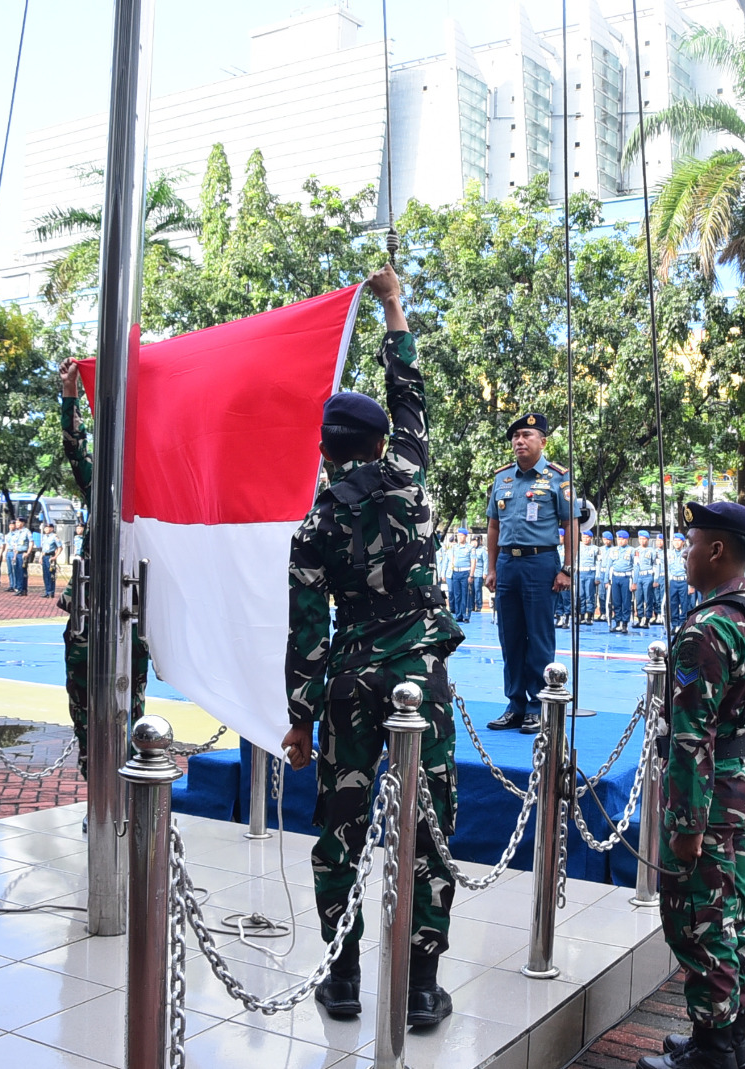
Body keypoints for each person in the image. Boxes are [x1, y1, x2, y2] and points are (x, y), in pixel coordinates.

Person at [281, 265, 462, 1028]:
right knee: (428, 829)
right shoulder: (411, 475)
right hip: (421, 676)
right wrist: (392, 305)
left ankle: (345, 978)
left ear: (325, 452)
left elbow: (306, 631)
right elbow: (408, 387)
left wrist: (298, 716)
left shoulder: (314, 525)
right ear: (383, 440)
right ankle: (420, 986)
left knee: (343, 828)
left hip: (351, 682)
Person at [641, 501, 745, 1069]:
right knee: (735, 912)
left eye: (691, 541)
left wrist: (685, 825)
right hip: (742, 785)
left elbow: (691, 738)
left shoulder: (706, 628)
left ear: (717, 550)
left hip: (711, 796)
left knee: (697, 919)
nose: (685, 551)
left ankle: (714, 1053)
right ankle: (724, 1035)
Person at [58, 358, 151, 780]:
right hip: (88, 617)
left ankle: (125, 794)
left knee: (128, 712)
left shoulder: (153, 488)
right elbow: (74, 446)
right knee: (85, 711)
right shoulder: (101, 482)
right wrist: (70, 394)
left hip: (131, 617)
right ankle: (97, 794)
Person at [483, 413, 579, 731]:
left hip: (541, 564)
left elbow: (571, 526)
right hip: (508, 565)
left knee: (538, 637)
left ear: (543, 441)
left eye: (526, 435)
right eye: (515, 436)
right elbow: (493, 526)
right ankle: (515, 704)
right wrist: (492, 567)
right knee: (510, 637)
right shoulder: (502, 479)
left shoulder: (558, 478)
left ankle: (539, 705)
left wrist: (567, 569)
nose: (519, 441)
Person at [608, 528, 635, 634]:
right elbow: (609, 565)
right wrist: (607, 580)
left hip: (626, 578)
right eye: (619, 539)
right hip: (615, 577)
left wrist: (635, 582)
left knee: (626, 601)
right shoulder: (613, 550)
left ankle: (625, 624)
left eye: (623, 539)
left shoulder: (632, 550)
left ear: (627, 539)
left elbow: (636, 566)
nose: (620, 541)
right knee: (616, 601)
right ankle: (617, 622)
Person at [447, 528, 474, 622]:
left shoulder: (470, 548)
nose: (459, 537)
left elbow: (473, 561)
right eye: (458, 535)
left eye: (461, 535)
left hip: (465, 573)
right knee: (457, 595)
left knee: (465, 595)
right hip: (456, 572)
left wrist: (471, 575)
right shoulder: (454, 547)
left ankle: (465, 615)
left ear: (466, 536)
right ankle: (458, 615)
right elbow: (453, 559)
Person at [632, 530, 656, 629]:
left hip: (648, 576)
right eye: (640, 539)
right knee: (639, 598)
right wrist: (634, 580)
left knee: (648, 598)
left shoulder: (652, 551)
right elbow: (634, 566)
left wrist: (656, 579)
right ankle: (640, 618)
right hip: (638, 577)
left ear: (648, 540)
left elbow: (655, 565)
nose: (642, 541)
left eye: (644, 539)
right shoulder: (636, 551)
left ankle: (647, 619)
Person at [668, 532, 689, 629]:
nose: (676, 543)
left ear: (683, 542)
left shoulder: (687, 553)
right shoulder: (669, 554)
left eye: (678, 541)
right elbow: (667, 568)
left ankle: (682, 624)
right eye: (674, 541)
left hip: (683, 581)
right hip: (673, 581)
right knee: (673, 603)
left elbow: (690, 569)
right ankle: (674, 624)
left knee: (684, 603)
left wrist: (691, 585)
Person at [576, 531, 598, 628]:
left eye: (587, 537)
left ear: (591, 538)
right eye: (584, 537)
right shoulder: (577, 547)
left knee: (589, 596)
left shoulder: (595, 549)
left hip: (590, 573)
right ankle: (581, 616)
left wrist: (597, 577)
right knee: (580, 595)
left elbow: (598, 563)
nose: (585, 539)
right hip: (580, 573)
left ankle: (589, 616)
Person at [594, 530, 614, 622]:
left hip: (610, 573)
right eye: (605, 539)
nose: (606, 541)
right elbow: (597, 563)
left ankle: (610, 612)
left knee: (610, 595)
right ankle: (603, 613)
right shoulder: (600, 550)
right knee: (601, 594)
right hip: (601, 573)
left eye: (608, 539)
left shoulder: (614, 550)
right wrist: (597, 576)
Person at [39, 523, 62, 599]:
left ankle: (51, 592)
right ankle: (47, 591)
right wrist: (40, 557)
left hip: (51, 557)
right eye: (45, 528)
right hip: (44, 556)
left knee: (51, 575)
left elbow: (60, 547)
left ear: (52, 529)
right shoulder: (44, 537)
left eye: (48, 528)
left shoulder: (54, 537)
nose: (47, 529)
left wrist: (55, 556)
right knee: (45, 575)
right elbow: (43, 549)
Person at [470, 533, 487, 616]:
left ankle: (479, 606)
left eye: (476, 541)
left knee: (477, 590)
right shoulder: (470, 549)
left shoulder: (482, 550)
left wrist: (485, 573)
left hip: (479, 573)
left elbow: (486, 562)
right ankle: (471, 606)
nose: (474, 543)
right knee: (471, 590)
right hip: (471, 573)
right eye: (473, 541)